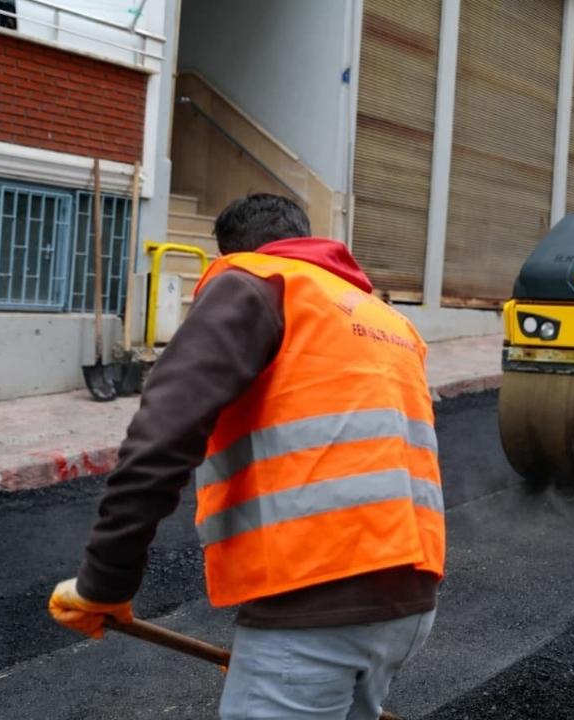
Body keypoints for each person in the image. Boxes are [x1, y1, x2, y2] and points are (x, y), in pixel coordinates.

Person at [47, 194, 444, 719]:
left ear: (229, 252)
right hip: (408, 607)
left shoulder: (255, 283)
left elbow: (160, 439)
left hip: (314, 602)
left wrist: (104, 585)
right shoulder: (385, 319)